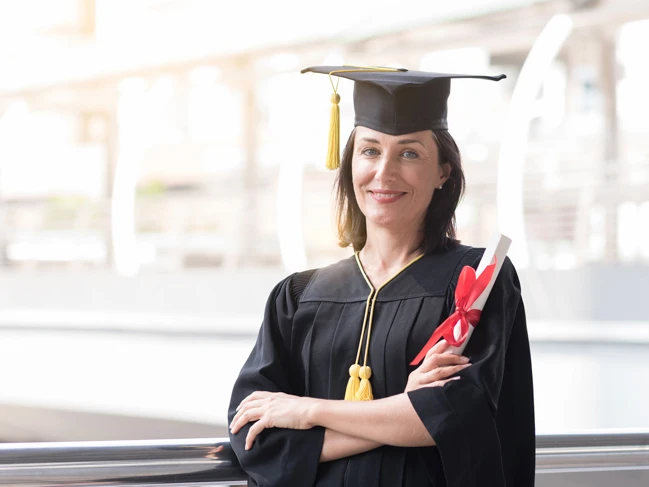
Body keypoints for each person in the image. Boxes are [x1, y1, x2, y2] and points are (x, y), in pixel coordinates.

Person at [228, 65, 535, 487]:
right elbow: (254, 439)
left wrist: (307, 411)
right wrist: (402, 409)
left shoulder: (476, 281)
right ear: (350, 162)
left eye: (409, 153)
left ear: (444, 171)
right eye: (370, 151)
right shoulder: (298, 297)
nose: (384, 172)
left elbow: (450, 420)